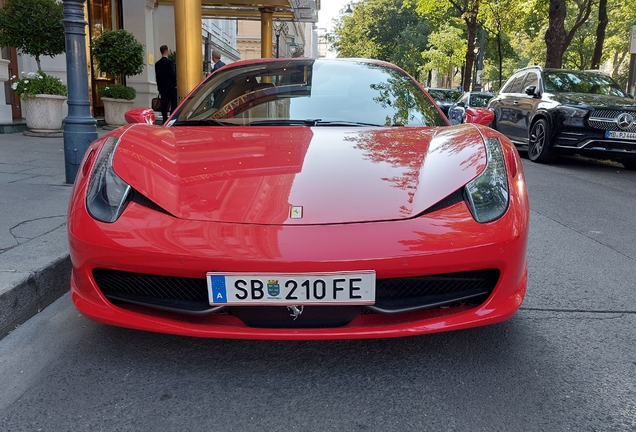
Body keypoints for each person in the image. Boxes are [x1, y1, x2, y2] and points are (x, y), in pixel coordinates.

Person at [154, 45, 177, 123]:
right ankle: (171, 118)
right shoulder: (170, 62)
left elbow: (157, 76)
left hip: (162, 88)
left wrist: (159, 87)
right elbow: (172, 74)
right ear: (167, 51)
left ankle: (164, 120)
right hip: (170, 87)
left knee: (164, 104)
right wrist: (175, 84)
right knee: (174, 103)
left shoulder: (157, 64)